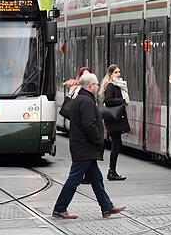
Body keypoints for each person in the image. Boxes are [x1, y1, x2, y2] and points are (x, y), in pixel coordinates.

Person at [52, 72, 125, 219]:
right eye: (96, 84)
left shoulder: (81, 99)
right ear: (91, 86)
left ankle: (107, 207)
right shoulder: (86, 101)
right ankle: (60, 208)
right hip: (85, 147)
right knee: (74, 179)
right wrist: (99, 140)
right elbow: (88, 125)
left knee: (96, 178)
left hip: (84, 147)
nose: (98, 86)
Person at [100, 64, 131, 181]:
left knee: (117, 145)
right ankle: (111, 171)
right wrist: (122, 100)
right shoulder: (111, 85)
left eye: (119, 72)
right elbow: (108, 101)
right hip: (113, 121)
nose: (119, 74)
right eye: (116, 72)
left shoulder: (118, 85)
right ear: (111, 74)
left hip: (116, 120)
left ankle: (112, 171)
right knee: (116, 146)